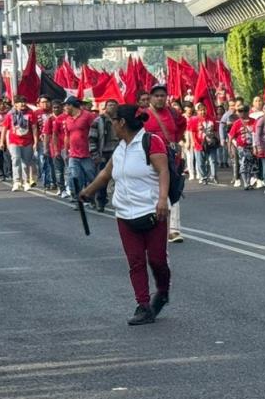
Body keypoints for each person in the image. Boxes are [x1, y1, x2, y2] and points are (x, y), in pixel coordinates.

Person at [80, 105, 171, 326]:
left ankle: (163, 291)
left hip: (152, 212)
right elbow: (106, 173)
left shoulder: (151, 142)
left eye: (113, 121)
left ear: (122, 122)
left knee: (157, 261)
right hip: (125, 215)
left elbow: (163, 171)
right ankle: (143, 306)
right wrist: (88, 191)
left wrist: (162, 199)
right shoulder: (121, 148)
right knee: (136, 262)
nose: (111, 125)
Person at [143, 84, 188, 244]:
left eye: (163, 95)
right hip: (149, 160)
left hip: (170, 160)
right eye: (157, 96)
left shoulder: (173, 113)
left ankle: (174, 230)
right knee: (152, 194)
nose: (160, 98)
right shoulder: (143, 115)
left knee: (173, 192)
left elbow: (183, 125)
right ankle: (154, 228)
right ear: (150, 97)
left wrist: (174, 141)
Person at [61, 96, 97, 207]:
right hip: (73, 155)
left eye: (66, 105)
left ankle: (93, 199)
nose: (65, 108)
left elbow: (96, 132)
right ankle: (78, 200)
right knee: (75, 177)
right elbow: (67, 136)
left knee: (92, 178)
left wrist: (96, 150)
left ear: (71, 105)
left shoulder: (88, 116)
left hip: (88, 154)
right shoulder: (67, 119)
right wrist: (66, 150)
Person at [1, 96, 39, 192]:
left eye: (24, 102)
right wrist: (2, 142)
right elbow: (4, 129)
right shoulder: (10, 115)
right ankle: (16, 181)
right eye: (20, 102)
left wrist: (35, 142)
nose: (22, 104)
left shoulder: (30, 114)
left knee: (26, 163)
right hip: (14, 141)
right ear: (15, 104)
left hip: (27, 142)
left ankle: (25, 181)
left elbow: (34, 128)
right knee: (16, 160)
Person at [93, 99, 120, 211]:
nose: (112, 107)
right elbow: (92, 138)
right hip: (104, 153)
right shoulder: (98, 121)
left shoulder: (121, 121)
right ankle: (100, 201)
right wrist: (95, 154)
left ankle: (119, 201)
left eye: (114, 105)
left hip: (118, 152)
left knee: (119, 178)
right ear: (105, 107)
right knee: (102, 178)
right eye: (109, 105)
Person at [189, 103, 219, 185]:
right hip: (199, 143)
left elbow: (216, 130)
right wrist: (192, 142)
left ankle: (214, 176)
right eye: (200, 110)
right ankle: (203, 177)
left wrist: (218, 139)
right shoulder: (194, 120)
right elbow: (192, 132)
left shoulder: (211, 119)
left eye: (204, 110)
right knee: (200, 162)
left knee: (213, 160)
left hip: (211, 143)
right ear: (197, 111)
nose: (203, 112)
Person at [230, 105, 258, 190]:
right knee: (243, 163)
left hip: (252, 146)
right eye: (240, 111)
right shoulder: (237, 123)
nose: (241, 113)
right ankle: (245, 183)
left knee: (251, 165)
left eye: (244, 110)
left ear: (247, 111)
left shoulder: (254, 121)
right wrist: (230, 149)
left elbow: (257, 134)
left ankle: (248, 182)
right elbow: (231, 136)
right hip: (242, 147)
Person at [33, 96, 55, 191]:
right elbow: (34, 128)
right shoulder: (36, 113)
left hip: (54, 141)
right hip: (41, 142)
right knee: (43, 161)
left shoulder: (54, 112)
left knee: (53, 162)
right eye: (43, 102)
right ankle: (46, 182)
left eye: (47, 102)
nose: (45, 104)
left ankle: (54, 181)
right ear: (39, 103)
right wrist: (36, 141)